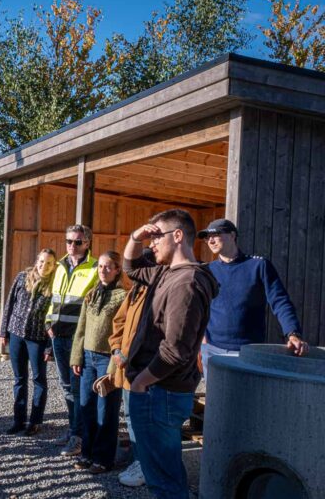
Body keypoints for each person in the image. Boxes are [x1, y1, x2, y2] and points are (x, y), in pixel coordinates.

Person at [123, 209, 218, 499]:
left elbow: (175, 351)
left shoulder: (186, 283)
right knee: (163, 471)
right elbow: (130, 267)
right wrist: (134, 236)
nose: (151, 243)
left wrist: (141, 382)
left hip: (159, 392)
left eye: (156, 236)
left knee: (163, 480)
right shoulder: (167, 271)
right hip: (156, 391)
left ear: (177, 236)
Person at [197, 218, 309, 381]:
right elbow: (197, 307)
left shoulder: (259, 266)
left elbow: (280, 301)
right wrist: (200, 341)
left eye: (216, 234)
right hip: (212, 352)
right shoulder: (207, 271)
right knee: (217, 405)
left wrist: (292, 333)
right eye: (207, 237)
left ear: (232, 235)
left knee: (246, 404)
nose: (210, 240)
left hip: (248, 351)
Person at [70, 251, 127, 474]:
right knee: (87, 408)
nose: (103, 270)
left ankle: (104, 458)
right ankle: (87, 452)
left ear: (117, 270)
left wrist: (115, 363)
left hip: (107, 359)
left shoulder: (122, 296)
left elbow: (123, 333)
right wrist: (76, 356)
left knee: (106, 410)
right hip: (88, 357)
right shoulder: (92, 294)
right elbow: (81, 328)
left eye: (108, 267)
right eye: (100, 266)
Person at [45, 224, 99, 457]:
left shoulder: (96, 267)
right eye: (68, 241)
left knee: (78, 390)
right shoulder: (59, 266)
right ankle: (72, 430)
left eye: (77, 242)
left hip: (78, 339)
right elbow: (54, 299)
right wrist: (48, 322)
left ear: (87, 243)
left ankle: (78, 438)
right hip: (57, 335)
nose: (72, 246)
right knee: (66, 388)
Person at [108, 248, 160, 488]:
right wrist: (117, 349)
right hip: (128, 368)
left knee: (146, 420)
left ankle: (146, 464)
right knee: (131, 417)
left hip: (148, 370)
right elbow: (118, 321)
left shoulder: (161, 292)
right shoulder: (135, 291)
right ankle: (139, 459)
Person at [0, 248, 57, 436]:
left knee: (39, 379)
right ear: (36, 261)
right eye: (41, 261)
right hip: (16, 333)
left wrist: (49, 346)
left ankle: (35, 421)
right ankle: (19, 420)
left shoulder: (55, 285)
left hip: (38, 338)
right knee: (19, 378)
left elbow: (55, 317)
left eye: (49, 263)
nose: (44, 266)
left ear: (53, 265)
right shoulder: (22, 277)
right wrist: (3, 332)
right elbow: (9, 304)